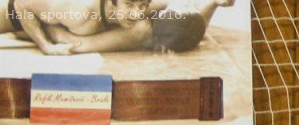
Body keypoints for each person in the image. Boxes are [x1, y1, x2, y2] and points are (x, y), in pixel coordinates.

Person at [37, 0, 237, 54]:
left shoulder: (141, 30)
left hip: (53, 22)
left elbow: (72, 42)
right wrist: (214, 4)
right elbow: (196, 26)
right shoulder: (168, 13)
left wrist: (46, 33)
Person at [2, 0, 150, 54]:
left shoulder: (136, 10)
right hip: (13, 14)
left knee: (142, 28)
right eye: (129, 4)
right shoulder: (79, 9)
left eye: (142, 6)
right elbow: (21, 3)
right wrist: (45, 46)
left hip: (53, 21)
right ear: (112, 2)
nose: (136, 14)